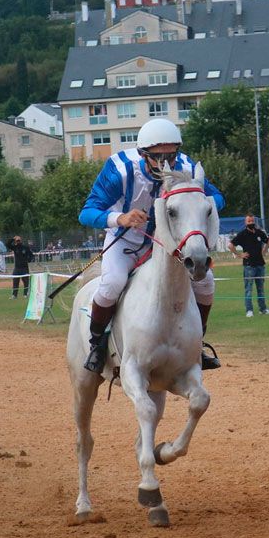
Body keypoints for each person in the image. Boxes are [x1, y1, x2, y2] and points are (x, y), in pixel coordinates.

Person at [78, 118, 225, 373]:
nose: (166, 162)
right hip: (125, 241)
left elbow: (218, 198)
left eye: (171, 154)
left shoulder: (187, 167)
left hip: (166, 247)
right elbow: (88, 212)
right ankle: (97, 344)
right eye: (158, 156)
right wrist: (121, 218)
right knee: (112, 283)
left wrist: (198, 202)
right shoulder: (119, 169)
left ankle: (196, 345)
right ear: (143, 153)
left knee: (206, 281)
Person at [230, 214, 269, 317]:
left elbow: (268, 241)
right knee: (248, 289)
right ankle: (249, 310)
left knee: (261, 289)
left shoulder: (259, 233)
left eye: (252, 221)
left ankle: (263, 309)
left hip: (260, 265)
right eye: (249, 221)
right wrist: (239, 255)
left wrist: (264, 252)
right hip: (249, 266)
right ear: (245, 223)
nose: (251, 223)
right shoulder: (242, 234)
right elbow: (230, 245)